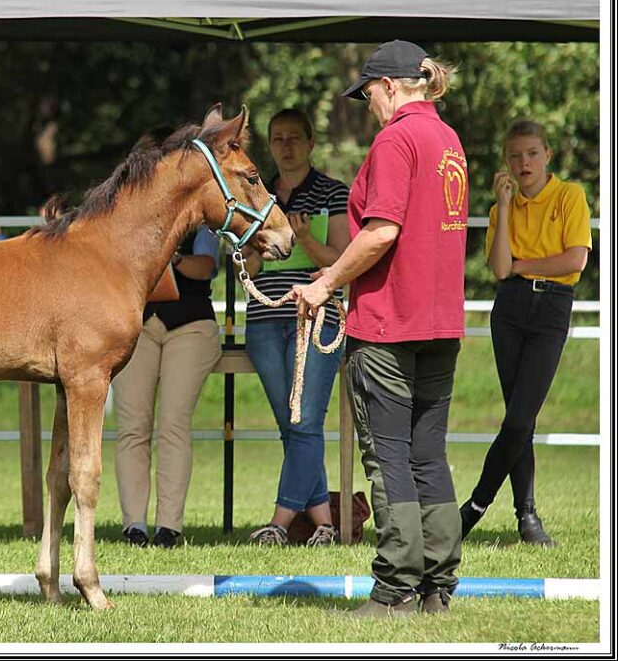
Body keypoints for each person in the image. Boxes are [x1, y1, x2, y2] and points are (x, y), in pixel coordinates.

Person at [293, 40, 468, 616]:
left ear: (390, 86)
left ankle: (393, 590)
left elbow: (381, 231)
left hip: (390, 324)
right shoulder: (448, 139)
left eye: (368, 92)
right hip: (440, 322)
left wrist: (324, 285)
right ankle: (437, 587)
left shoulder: (397, 139)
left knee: (389, 456)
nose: (367, 103)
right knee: (428, 455)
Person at [459, 120, 592, 547]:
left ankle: (474, 507)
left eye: (532, 153)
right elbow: (499, 270)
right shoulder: (503, 209)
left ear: (547, 155)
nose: (524, 163)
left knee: (518, 419)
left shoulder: (570, 196)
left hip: (552, 307)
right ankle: (526, 516)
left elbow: (575, 261)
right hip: (510, 309)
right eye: (515, 156)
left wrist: (522, 264)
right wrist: (501, 203)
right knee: (522, 420)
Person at [240, 109, 350, 548]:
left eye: (293, 138)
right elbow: (242, 268)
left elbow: (342, 261)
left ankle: (280, 523)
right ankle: (323, 523)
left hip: (317, 320)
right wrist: (255, 256)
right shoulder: (254, 196)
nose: (285, 146)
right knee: (292, 426)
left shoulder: (334, 192)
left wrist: (303, 239)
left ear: (310, 144)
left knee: (305, 423)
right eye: (277, 139)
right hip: (266, 321)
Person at [113, 225, 221, 548]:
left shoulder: (203, 225)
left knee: (173, 423)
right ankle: (134, 525)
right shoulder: (132, 218)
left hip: (191, 327)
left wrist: (171, 258)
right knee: (132, 426)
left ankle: (168, 527)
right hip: (137, 325)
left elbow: (205, 268)